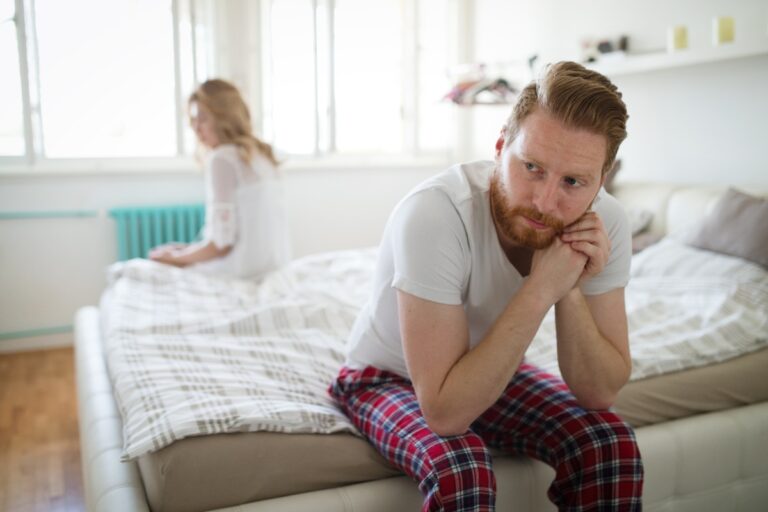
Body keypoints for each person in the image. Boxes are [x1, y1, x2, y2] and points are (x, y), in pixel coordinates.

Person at [330, 61, 643, 511]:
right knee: (463, 468)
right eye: (531, 167)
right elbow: (445, 412)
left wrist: (568, 287)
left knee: (610, 446)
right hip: (385, 377)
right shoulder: (435, 213)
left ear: (601, 182)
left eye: (573, 182)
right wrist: (539, 290)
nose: (545, 201)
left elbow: (599, 392)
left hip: (488, 370)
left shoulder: (603, 223)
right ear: (500, 146)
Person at [149, 79, 290, 278]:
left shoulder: (223, 158)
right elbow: (237, 235)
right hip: (275, 269)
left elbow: (222, 245)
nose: (196, 128)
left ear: (224, 117)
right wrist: (185, 251)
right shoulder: (262, 154)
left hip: (242, 273)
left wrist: (176, 259)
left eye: (203, 118)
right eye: (194, 120)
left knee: (152, 268)